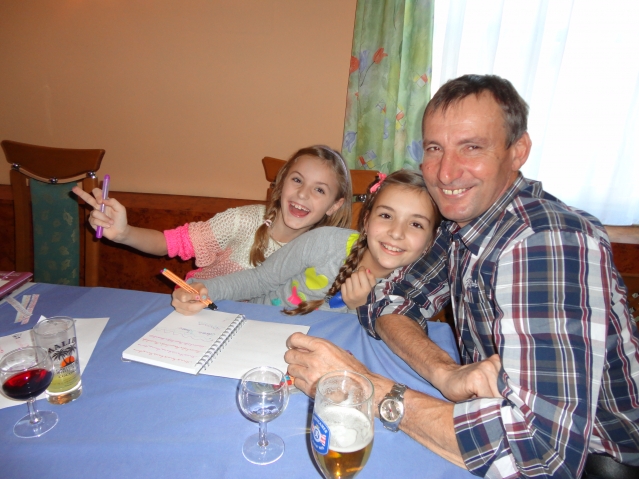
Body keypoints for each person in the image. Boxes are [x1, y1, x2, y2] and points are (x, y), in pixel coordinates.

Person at [285, 74, 639, 478]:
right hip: (496, 416)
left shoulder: (547, 242)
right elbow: (389, 301)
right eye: (435, 148)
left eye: (471, 147)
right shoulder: (463, 223)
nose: (446, 173)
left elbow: (539, 455)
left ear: (517, 151)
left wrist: (364, 386)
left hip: (601, 460)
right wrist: (446, 372)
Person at [171, 170, 441, 316]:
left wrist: (361, 308)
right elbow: (259, 280)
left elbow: (366, 351)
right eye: (386, 216)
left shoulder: (412, 292)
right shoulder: (325, 243)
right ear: (367, 221)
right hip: (255, 324)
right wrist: (207, 289)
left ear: (430, 241)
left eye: (416, 224)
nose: (396, 232)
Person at [73, 145, 352, 281]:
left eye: (319, 190)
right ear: (281, 182)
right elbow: (169, 243)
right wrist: (124, 233)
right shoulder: (241, 221)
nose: (303, 194)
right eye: (297, 180)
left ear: (334, 205)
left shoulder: (328, 252)